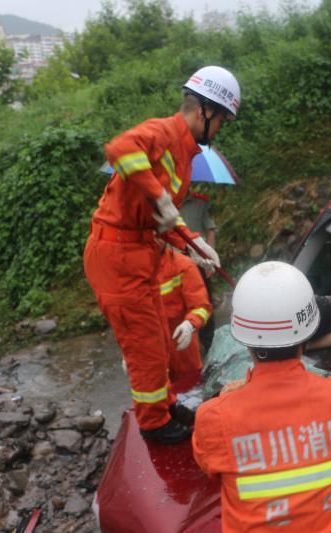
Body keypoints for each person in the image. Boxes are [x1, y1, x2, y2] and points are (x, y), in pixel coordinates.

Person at [83, 66, 240, 445]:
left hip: (140, 250)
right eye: (221, 120)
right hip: (117, 254)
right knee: (146, 347)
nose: (219, 129)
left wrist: (193, 243)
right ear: (204, 110)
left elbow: (164, 216)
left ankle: (166, 405)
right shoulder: (163, 132)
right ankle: (153, 423)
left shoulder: (185, 156)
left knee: (158, 340)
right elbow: (119, 148)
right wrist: (157, 195)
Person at [192, 261, 331, 531]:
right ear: (308, 332)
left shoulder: (214, 419)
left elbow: (210, 466)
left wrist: (235, 397)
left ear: (245, 341)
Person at [157, 244, 212, 384]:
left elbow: (201, 305)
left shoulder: (182, 265)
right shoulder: (133, 271)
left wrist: (190, 324)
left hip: (183, 350)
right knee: (155, 401)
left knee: (190, 397)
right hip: (153, 353)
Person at [179, 188, 217, 352]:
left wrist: (208, 254)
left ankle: (209, 343)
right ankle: (185, 342)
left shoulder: (200, 202)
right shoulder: (166, 203)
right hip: (176, 261)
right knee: (179, 303)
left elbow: (210, 230)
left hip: (200, 260)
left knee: (205, 301)